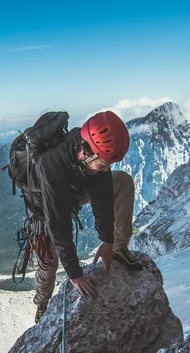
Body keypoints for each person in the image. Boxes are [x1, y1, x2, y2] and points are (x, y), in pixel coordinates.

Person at [31, 110, 142, 323]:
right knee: (49, 262)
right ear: (84, 152)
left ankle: (120, 248)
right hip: (44, 208)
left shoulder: (93, 156)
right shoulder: (50, 165)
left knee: (123, 181)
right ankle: (43, 303)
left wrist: (108, 242)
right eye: (103, 163)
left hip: (74, 190)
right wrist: (75, 274)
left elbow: (103, 197)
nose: (106, 168)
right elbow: (59, 224)